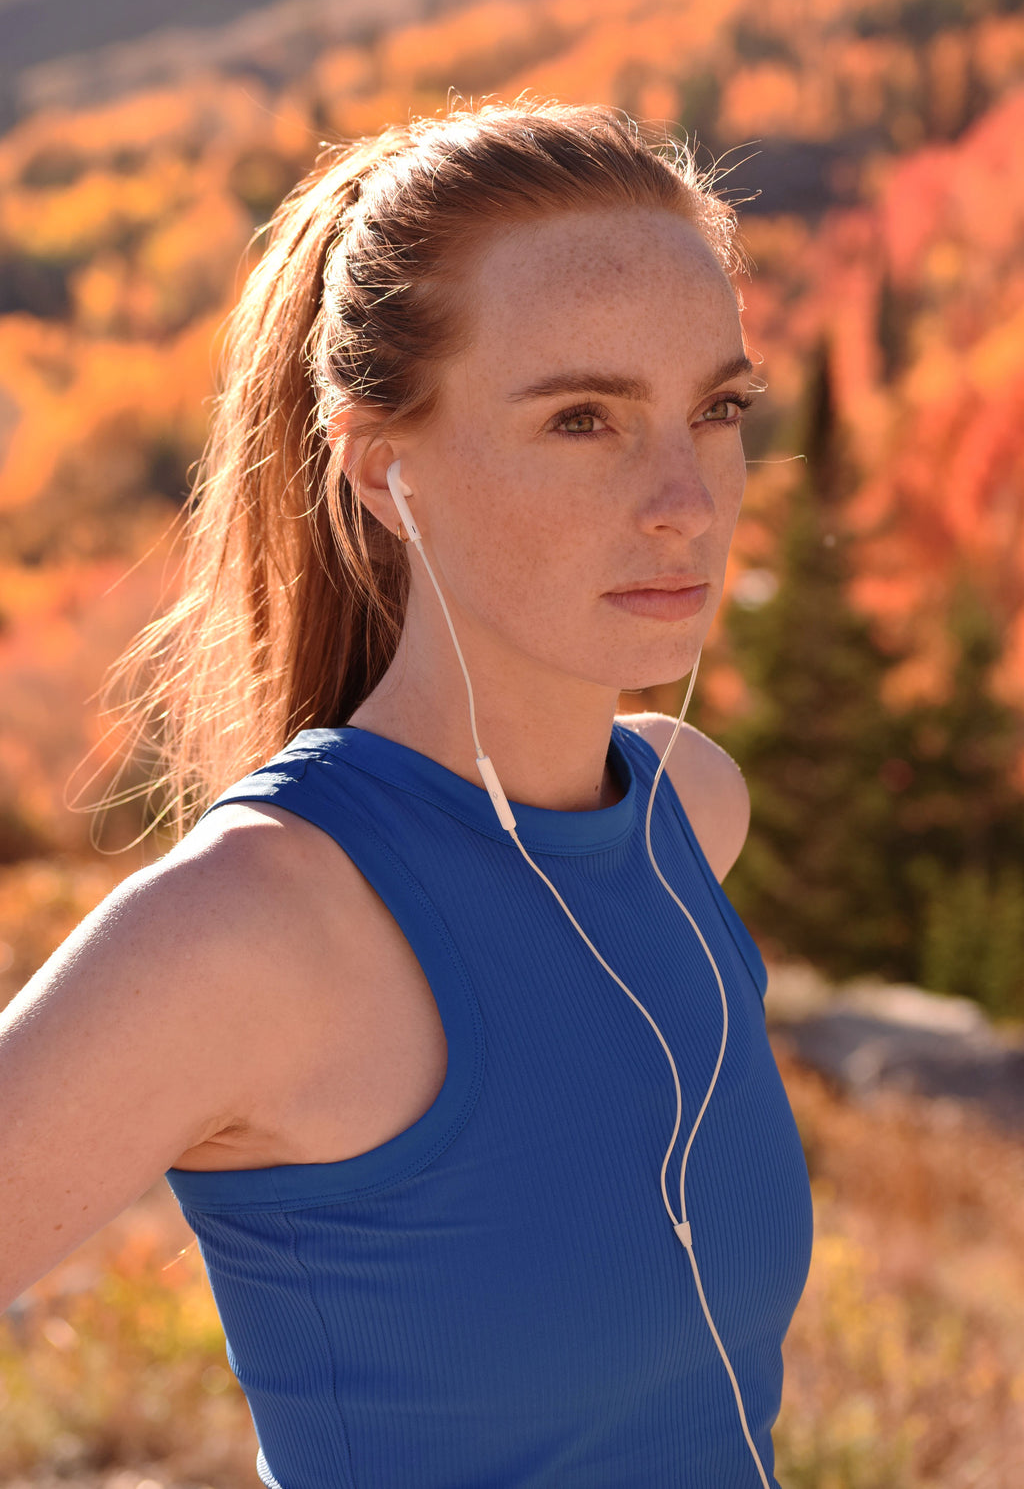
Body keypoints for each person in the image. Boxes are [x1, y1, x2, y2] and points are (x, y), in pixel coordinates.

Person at [0, 100, 813, 1487]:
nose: (687, 496)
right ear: (386, 470)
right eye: (582, 419)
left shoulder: (686, 817)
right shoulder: (258, 929)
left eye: (716, 409)